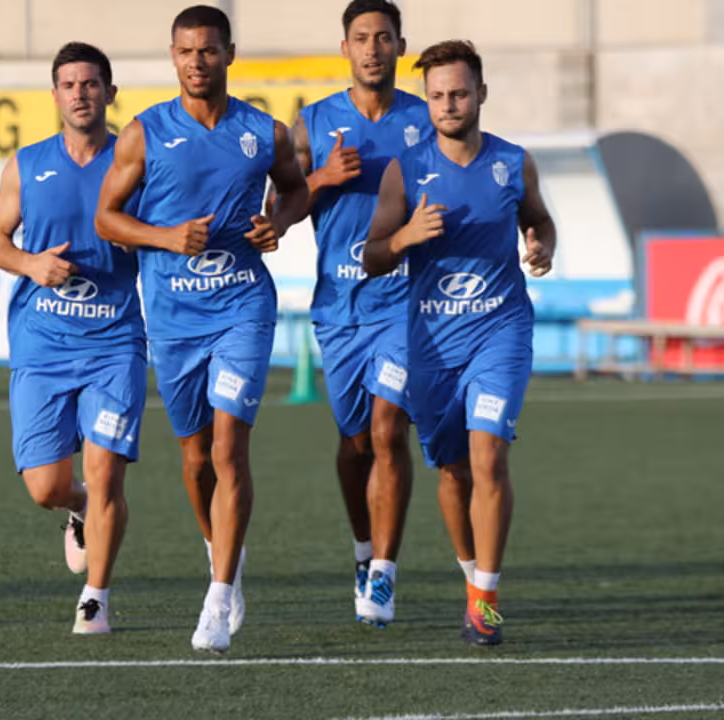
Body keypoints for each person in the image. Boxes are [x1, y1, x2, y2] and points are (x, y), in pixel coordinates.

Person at [94, 5, 309, 653]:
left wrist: (279, 223)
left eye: (208, 50)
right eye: (186, 51)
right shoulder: (144, 133)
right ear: (173, 56)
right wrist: (164, 236)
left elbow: (296, 191)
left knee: (228, 447)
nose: (197, 62)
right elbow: (106, 218)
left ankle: (216, 599)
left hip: (243, 305)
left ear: (229, 54)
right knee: (194, 459)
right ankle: (225, 556)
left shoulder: (263, 132)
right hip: (174, 318)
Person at [363, 40, 556, 646]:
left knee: (488, 457)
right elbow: (372, 256)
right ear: (427, 101)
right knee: (452, 471)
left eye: (460, 93)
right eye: (438, 95)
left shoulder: (513, 162)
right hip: (433, 345)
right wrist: (405, 237)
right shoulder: (405, 169)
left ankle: (485, 603)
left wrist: (542, 244)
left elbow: (538, 218)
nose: (449, 104)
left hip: (500, 332)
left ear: (481, 95)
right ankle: (472, 576)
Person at [0, 42, 145, 636]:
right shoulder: (26, 165)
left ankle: (96, 597)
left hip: (114, 344)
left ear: (110, 92)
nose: (80, 94)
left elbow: (161, 232)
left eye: (91, 83)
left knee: (106, 473)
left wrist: (140, 237)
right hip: (43, 345)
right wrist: (31, 264)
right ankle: (76, 509)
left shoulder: (135, 162)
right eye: (70, 85)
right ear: (54, 96)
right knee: (46, 487)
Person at [293, 0, 431, 627]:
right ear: (344, 48)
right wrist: (321, 178)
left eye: (383, 37)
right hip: (340, 308)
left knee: (387, 430)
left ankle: (384, 573)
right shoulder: (313, 122)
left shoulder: (426, 119)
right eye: (361, 38)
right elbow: (279, 208)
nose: (373, 48)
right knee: (353, 444)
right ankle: (361, 548)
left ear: (400, 45)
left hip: (404, 303)